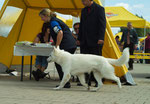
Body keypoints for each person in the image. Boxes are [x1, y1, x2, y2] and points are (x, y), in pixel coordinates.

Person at [39, 8, 77, 88]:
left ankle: (65, 83)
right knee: (65, 64)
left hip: (66, 45)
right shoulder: (55, 20)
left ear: (46, 16)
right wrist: (54, 42)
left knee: (59, 63)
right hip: (71, 44)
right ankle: (66, 82)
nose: (42, 19)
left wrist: (57, 45)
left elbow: (60, 32)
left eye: (42, 17)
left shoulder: (53, 22)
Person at [77, 0, 106, 86]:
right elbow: (81, 25)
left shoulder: (99, 9)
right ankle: (86, 81)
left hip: (95, 40)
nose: (82, 2)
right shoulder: (83, 10)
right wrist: (79, 38)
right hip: (84, 41)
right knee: (85, 61)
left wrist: (101, 38)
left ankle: (98, 81)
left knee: (97, 62)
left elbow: (102, 24)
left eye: (84, 1)